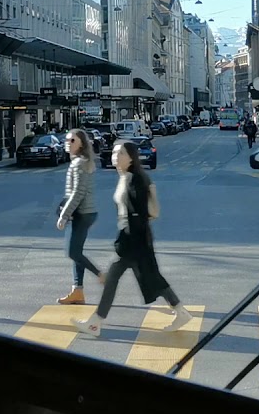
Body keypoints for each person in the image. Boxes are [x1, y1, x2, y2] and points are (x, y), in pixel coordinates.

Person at [74, 140, 193, 337]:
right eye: (114, 152)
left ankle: (95, 323)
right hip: (134, 239)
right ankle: (180, 310)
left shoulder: (134, 179)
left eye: (120, 153)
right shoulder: (125, 177)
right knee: (151, 277)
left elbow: (139, 214)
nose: (115, 156)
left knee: (121, 277)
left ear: (131, 158)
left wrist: (126, 239)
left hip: (134, 240)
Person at [56, 128, 103, 304]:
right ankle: (78, 291)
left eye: (72, 140)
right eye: (67, 140)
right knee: (77, 253)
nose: (68, 143)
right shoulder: (82, 161)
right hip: (85, 213)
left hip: (81, 213)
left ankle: (100, 275)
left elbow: (78, 193)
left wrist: (64, 216)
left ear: (82, 143)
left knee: (72, 252)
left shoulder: (79, 164)